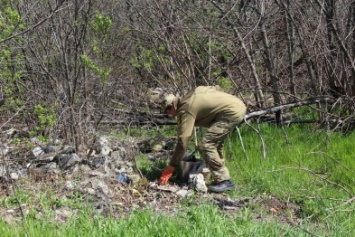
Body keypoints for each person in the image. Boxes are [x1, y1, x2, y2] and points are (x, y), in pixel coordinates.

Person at [159, 86, 247, 193]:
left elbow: (183, 141)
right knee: (215, 144)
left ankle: (225, 181)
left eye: (167, 111)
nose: (168, 114)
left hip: (231, 112)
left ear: (171, 106)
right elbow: (217, 88)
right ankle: (218, 177)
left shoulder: (185, 109)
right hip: (237, 104)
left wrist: (171, 166)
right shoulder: (194, 92)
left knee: (206, 145)